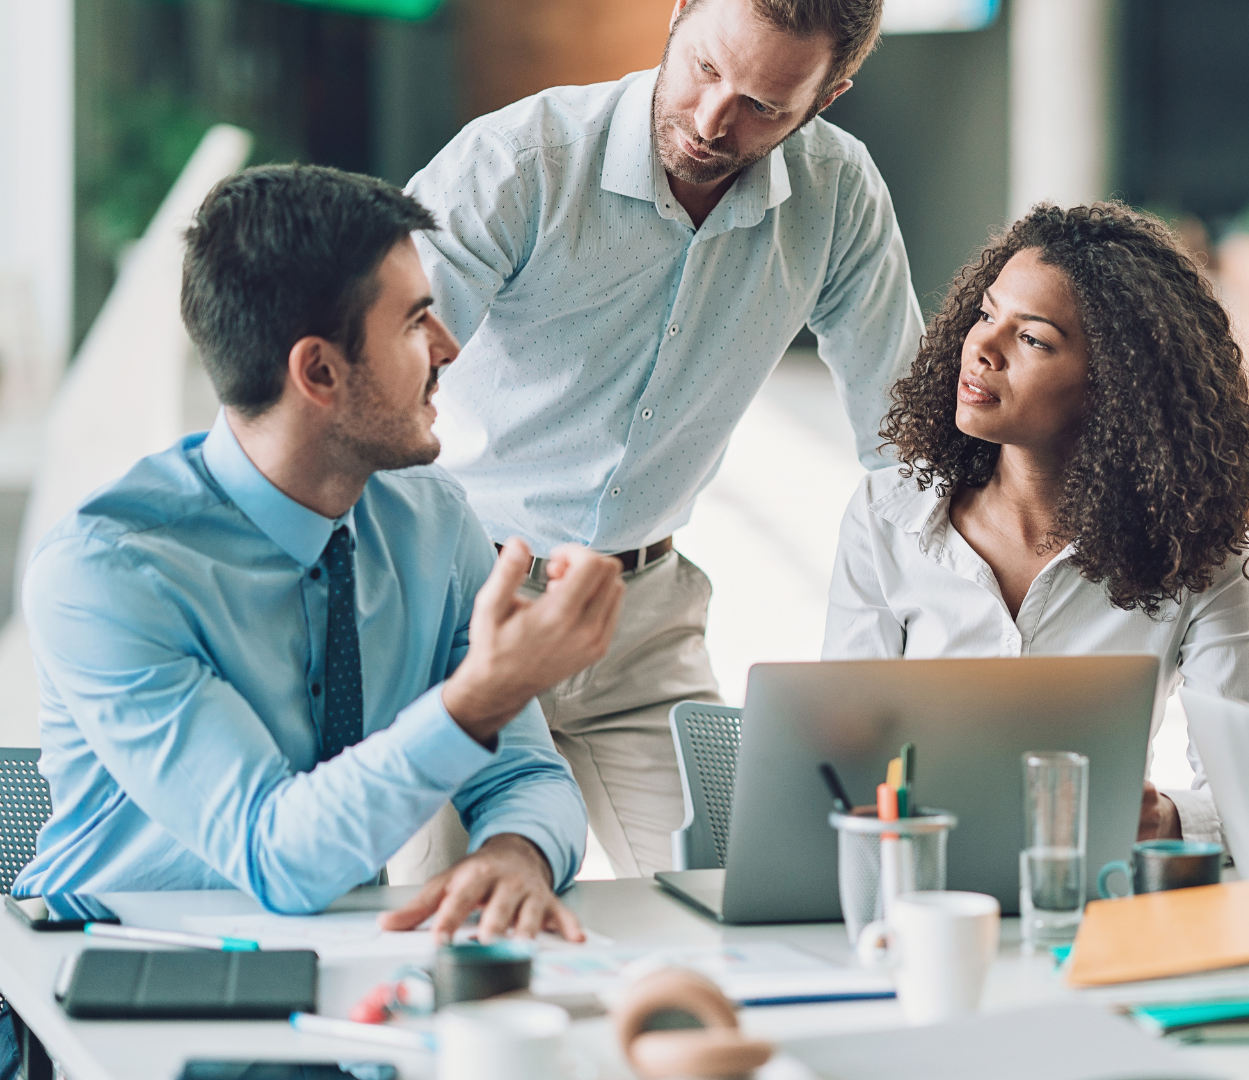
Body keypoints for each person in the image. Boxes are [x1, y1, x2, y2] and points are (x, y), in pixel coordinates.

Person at [12, 165, 624, 943]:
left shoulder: (434, 524)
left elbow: (527, 775)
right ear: (320, 372)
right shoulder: (105, 573)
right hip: (100, 986)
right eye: (415, 321)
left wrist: (516, 853)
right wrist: (477, 698)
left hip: (330, 971)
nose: (450, 346)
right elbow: (276, 856)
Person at [402, 0, 921, 880]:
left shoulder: (837, 195)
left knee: (738, 901)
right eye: (708, 70)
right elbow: (369, 388)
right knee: (445, 927)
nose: (717, 122)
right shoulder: (517, 163)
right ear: (679, 14)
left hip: (641, 626)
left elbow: (905, 442)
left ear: (829, 95)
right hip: (460, 608)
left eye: (766, 106)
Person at [825, 202, 1249, 844]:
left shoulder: (1199, 551)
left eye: (1032, 338)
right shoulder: (885, 517)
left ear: (1115, 386)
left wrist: (1172, 819)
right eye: (987, 314)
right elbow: (842, 762)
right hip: (919, 888)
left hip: (1090, 895)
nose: (981, 346)